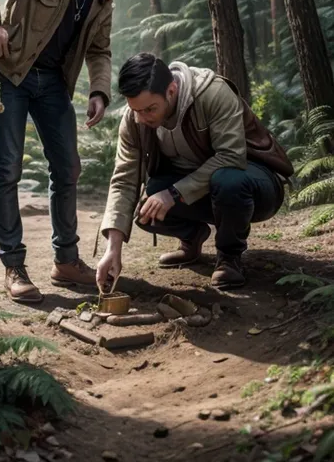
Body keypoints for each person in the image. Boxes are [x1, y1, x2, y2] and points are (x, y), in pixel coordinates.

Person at [0, 0, 151, 303]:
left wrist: (99, 92)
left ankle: (66, 261)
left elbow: (100, 50)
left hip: (54, 84)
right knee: (7, 169)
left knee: (68, 168)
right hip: (11, 74)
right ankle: (14, 267)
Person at [96, 53, 293, 291]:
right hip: (201, 191)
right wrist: (113, 250)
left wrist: (173, 194)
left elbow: (231, 156)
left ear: (171, 90)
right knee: (147, 206)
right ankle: (192, 238)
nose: (141, 118)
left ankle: (229, 257)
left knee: (228, 179)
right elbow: (123, 181)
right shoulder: (134, 119)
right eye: (135, 110)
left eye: (150, 109)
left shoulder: (213, 93)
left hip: (255, 184)